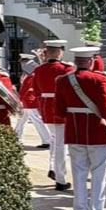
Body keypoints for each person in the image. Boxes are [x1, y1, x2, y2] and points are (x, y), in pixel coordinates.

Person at [55, 47, 106, 210]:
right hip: (97, 132)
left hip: (75, 132)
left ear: (76, 61)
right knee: (99, 174)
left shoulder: (62, 80)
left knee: (78, 174)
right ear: (91, 61)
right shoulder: (99, 79)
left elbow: (59, 111)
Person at [31, 38, 73, 190]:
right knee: (62, 145)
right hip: (62, 110)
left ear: (47, 52)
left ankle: (53, 167)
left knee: (55, 141)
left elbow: (36, 91)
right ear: (60, 52)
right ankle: (60, 179)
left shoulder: (39, 70)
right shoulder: (66, 69)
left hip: (47, 109)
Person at [14, 53, 51, 147]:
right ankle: (16, 138)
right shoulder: (26, 73)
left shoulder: (31, 74)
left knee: (36, 120)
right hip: (27, 100)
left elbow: (29, 88)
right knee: (21, 120)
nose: (21, 64)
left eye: (23, 62)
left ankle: (47, 140)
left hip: (30, 100)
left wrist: (20, 100)